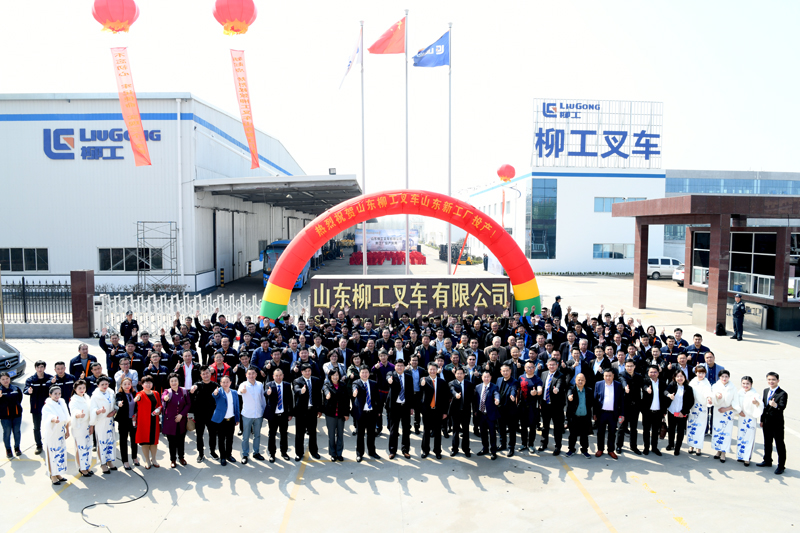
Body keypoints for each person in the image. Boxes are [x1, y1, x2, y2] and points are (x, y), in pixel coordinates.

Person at [758, 371, 788, 475]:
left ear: (778, 380)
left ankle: (781, 466)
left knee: (779, 444)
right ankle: (767, 460)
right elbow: (764, 407)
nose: (771, 381)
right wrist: (762, 420)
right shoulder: (766, 391)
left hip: (777, 423)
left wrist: (775, 405)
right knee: (767, 442)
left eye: (773, 380)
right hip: (766, 422)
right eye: (769, 379)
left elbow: (782, 407)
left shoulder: (782, 393)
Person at [293, 363, 322, 461]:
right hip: (301, 412)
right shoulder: (297, 381)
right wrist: (301, 391)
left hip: (312, 411)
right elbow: (296, 389)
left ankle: (314, 451)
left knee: (313, 433)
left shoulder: (316, 380)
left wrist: (319, 409)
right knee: (300, 433)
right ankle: (299, 453)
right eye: (305, 371)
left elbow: (319, 396)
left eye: (309, 371)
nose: (307, 373)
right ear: (302, 372)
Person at [41, 385, 70, 484]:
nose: (57, 396)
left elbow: (66, 418)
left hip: (60, 432)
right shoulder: (47, 406)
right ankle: (52, 475)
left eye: (59, 394)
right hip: (52, 433)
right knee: (52, 454)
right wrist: (54, 419)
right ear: (50, 394)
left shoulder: (62, 403)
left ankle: (58, 473)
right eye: (55, 394)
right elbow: (48, 417)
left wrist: (67, 430)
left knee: (60, 453)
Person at [162, 373, 192, 468]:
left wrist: (181, 415)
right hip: (170, 421)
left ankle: (181, 457)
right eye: (172, 381)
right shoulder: (167, 391)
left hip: (181, 420)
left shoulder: (184, 391)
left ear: (178, 381)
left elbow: (188, 404)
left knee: (181, 440)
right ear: (169, 382)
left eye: (175, 380)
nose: (174, 382)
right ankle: (173, 459)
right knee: (171, 442)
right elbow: (163, 397)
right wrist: (165, 398)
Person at [420, 362, 448, 459]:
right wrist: (422, 384)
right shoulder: (424, 380)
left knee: (437, 432)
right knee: (426, 431)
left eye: (434, 369)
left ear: (437, 370)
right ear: (428, 370)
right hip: (427, 410)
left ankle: (437, 451)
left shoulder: (442, 382)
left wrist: (445, 412)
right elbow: (421, 388)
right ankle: (425, 450)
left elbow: (445, 399)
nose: (432, 371)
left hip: (438, 410)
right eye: (430, 369)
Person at [732, 376, 762, 466]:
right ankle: (741, 456)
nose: (745, 385)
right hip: (742, 417)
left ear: (751, 384)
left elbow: (760, 404)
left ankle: (747, 458)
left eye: (747, 384)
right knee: (741, 436)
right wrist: (738, 411)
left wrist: (756, 403)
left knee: (749, 437)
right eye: (743, 383)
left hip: (750, 418)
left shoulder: (755, 394)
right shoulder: (739, 393)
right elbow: (735, 403)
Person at [594, 368, 624, 459]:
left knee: (612, 433)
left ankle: (611, 450)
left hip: (613, 414)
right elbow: (595, 400)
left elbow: (621, 401)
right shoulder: (598, 384)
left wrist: (622, 414)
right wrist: (594, 413)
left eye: (610, 376)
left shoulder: (618, 385)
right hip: (601, 413)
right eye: (606, 376)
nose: (608, 378)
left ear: (613, 376)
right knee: (600, 433)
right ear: (603, 376)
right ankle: (600, 449)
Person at [264, 368, 293, 462]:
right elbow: (265, 393)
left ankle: (284, 452)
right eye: (276, 375)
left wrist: (290, 413)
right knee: (272, 435)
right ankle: (272, 454)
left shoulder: (287, 385)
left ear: (283, 376)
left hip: (283, 415)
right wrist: (267, 393)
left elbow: (290, 400)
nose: (278, 377)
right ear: (273, 376)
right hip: (273, 416)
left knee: (284, 434)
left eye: (280, 375)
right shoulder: (269, 384)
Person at [386, 359, 414, 459]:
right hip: (394, 407)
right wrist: (389, 379)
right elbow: (388, 376)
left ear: (404, 367)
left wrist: (411, 407)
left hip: (405, 406)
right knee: (393, 429)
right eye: (398, 365)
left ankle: (405, 450)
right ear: (395, 366)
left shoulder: (409, 377)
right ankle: (392, 450)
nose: (399, 367)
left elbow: (411, 392)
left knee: (406, 429)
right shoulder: (392, 375)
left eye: (401, 365)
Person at [190, 367, 218, 462]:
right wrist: (192, 391)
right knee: (199, 435)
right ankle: (201, 454)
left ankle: (212, 452)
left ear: (210, 373)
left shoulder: (215, 385)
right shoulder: (197, 385)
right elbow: (191, 398)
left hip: (211, 415)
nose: (205, 375)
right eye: (203, 374)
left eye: (207, 373)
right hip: (199, 415)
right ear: (201, 375)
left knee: (212, 434)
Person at [133, 375, 162, 469]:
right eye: (146, 383)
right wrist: (136, 399)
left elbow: (160, 405)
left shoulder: (156, 393)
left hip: (154, 420)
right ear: (142, 384)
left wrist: (159, 410)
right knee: (145, 441)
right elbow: (136, 400)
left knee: (154, 442)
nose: (148, 384)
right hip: (144, 421)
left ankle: (154, 459)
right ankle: (147, 460)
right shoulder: (140, 394)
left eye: (150, 383)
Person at [352, 365, 380, 462]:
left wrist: (378, 411)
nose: (364, 374)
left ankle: (372, 452)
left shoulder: (373, 383)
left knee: (371, 435)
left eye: (366, 372)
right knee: (360, 435)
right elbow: (354, 387)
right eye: (362, 372)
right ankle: (359, 453)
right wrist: (354, 391)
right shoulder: (356, 382)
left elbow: (377, 398)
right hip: (361, 414)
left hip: (371, 413)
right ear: (359, 374)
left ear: (369, 373)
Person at [238, 368, 266, 464]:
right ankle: (245, 454)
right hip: (247, 415)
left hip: (258, 414)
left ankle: (256, 452)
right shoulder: (243, 384)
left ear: (256, 375)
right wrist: (242, 391)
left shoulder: (260, 385)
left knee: (257, 435)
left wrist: (264, 410)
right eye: (249, 374)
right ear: (246, 375)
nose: (251, 375)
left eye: (253, 373)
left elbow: (262, 398)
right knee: (245, 436)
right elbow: (239, 391)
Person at [90, 376, 117, 473]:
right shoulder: (95, 396)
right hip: (101, 422)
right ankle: (103, 463)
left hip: (110, 421)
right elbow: (92, 410)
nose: (105, 386)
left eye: (106, 384)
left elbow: (115, 404)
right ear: (98, 385)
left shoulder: (111, 392)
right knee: (102, 442)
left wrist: (114, 411)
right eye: (102, 384)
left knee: (110, 441)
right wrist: (99, 411)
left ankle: (109, 461)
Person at [24, 360, 52, 455]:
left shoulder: (49, 378)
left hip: (48, 407)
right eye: (38, 367)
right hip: (36, 407)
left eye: (41, 367)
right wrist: (28, 391)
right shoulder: (31, 380)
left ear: (44, 368)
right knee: (36, 427)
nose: (40, 369)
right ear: (35, 368)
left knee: (50, 426)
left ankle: (51, 444)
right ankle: (39, 445)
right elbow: (25, 389)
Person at [211, 375, 240, 466]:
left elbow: (236, 406)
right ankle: (223, 457)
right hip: (221, 420)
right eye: (223, 382)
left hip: (231, 419)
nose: (225, 384)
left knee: (230, 439)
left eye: (227, 382)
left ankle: (229, 455)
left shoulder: (234, 392)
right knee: (221, 439)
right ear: (220, 383)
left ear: (230, 383)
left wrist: (237, 418)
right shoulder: (219, 391)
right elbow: (214, 395)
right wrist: (215, 393)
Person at [322, 369, 350, 462]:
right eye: (333, 375)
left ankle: (339, 453)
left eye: (337, 375)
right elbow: (325, 390)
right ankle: (333, 454)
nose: (335, 377)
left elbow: (347, 400)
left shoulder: (343, 385)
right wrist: (327, 394)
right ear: (330, 376)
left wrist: (346, 413)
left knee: (340, 435)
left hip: (341, 414)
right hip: (331, 414)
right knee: (331, 435)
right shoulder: (327, 385)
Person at [539, 358, 565, 455]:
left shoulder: (560, 375)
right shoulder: (543, 374)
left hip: (556, 406)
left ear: (557, 365)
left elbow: (559, 384)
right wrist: (540, 402)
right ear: (547, 365)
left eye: (553, 364)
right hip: (545, 405)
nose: (551, 366)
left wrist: (556, 390)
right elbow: (541, 387)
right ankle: (543, 444)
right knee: (545, 427)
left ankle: (558, 446)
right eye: (550, 364)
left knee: (557, 428)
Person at [617, 360, 643, 455]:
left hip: (635, 406)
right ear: (625, 367)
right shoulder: (622, 374)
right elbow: (623, 381)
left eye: (631, 366)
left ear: (634, 366)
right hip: (623, 407)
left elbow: (643, 385)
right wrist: (625, 387)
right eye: (627, 366)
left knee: (633, 428)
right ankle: (619, 446)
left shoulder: (638, 376)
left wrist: (646, 388)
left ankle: (633, 446)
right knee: (621, 427)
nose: (629, 368)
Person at [68, 379, 93, 476]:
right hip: (79, 426)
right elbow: (74, 411)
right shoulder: (73, 400)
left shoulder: (87, 397)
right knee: (80, 447)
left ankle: (86, 465)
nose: (82, 390)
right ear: (75, 389)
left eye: (83, 388)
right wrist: (78, 415)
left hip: (87, 425)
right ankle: (81, 468)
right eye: (79, 388)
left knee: (87, 447)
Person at [686, 366, 713, 456]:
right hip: (693, 406)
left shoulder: (706, 382)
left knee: (700, 427)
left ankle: (698, 447)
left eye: (703, 373)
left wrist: (709, 398)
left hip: (702, 408)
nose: (701, 375)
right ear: (696, 373)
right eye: (699, 372)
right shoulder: (693, 381)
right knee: (691, 426)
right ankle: (691, 445)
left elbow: (708, 392)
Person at [665, 370, 693, 456]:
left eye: (681, 376)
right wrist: (669, 395)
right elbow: (665, 391)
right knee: (671, 429)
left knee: (680, 431)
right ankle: (671, 444)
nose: (680, 378)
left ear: (684, 377)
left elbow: (691, 402)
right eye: (678, 376)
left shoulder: (688, 388)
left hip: (682, 413)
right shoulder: (672, 385)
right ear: (674, 378)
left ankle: (677, 448)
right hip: (672, 411)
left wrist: (683, 412)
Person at [474, 370, 500, 459]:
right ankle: (485, 448)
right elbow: (476, 400)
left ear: (490, 378)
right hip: (481, 415)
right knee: (483, 433)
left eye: (488, 377)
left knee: (492, 434)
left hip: (490, 415)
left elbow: (496, 394)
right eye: (484, 377)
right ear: (482, 378)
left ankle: (493, 451)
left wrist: (497, 400)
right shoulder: (478, 387)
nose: (486, 378)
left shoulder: (494, 387)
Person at [448, 366, 474, 458]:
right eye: (457, 373)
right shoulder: (452, 383)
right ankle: (454, 449)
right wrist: (456, 395)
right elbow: (452, 390)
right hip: (455, 411)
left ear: (464, 374)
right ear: (455, 374)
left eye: (461, 373)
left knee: (466, 431)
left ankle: (466, 449)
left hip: (466, 411)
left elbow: (472, 397)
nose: (459, 375)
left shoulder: (469, 384)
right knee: (455, 431)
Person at [641, 365, 667, 456]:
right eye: (651, 372)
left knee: (656, 431)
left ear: (658, 373)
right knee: (646, 431)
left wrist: (664, 411)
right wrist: (647, 389)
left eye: (655, 372)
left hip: (658, 412)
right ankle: (646, 448)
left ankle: (654, 448)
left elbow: (664, 399)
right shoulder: (645, 381)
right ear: (648, 373)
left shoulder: (662, 383)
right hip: (647, 412)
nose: (653, 374)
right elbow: (643, 386)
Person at [565, 373, 593, 458]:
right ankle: (571, 450)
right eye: (579, 380)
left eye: (582, 380)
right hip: (574, 418)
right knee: (572, 435)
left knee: (584, 435)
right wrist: (569, 397)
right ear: (575, 380)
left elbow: (592, 403)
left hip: (585, 417)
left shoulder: (589, 390)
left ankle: (584, 450)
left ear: (585, 381)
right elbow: (569, 394)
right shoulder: (571, 389)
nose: (580, 381)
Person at [517, 361, 543, 453]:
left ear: (534, 368)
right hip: (522, 406)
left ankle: (531, 444)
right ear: (525, 368)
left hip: (532, 406)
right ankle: (524, 443)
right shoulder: (521, 377)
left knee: (532, 427)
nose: (530, 369)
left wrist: (536, 392)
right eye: (528, 367)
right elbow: (518, 391)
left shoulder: (537, 379)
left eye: (532, 367)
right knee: (523, 426)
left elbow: (540, 390)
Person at [710, 370, 736, 461]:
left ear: (729, 377)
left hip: (728, 413)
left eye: (726, 376)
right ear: (719, 377)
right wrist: (716, 395)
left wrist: (727, 409)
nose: (724, 378)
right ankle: (718, 450)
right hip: (718, 412)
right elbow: (711, 396)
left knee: (726, 432)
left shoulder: (733, 388)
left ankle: (723, 452)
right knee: (718, 431)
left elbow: (736, 402)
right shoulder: (715, 386)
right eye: (722, 376)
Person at [115, 376, 139, 469]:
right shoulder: (120, 394)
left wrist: (136, 414)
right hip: (123, 421)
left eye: (129, 384)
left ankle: (134, 457)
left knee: (134, 440)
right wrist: (119, 403)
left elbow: (137, 406)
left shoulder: (134, 393)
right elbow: (118, 401)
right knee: (123, 441)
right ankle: (125, 461)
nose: (127, 386)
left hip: (133, 420)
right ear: (121, 385)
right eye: (125, 384)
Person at [496, 363, 519, 457]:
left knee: (512, 430)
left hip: (510, 410)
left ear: (510, 371)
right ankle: (503, 444)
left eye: (507, 371)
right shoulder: (499, 379)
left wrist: (513, 395)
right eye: (503, 371)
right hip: (500, 409)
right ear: (501, 372)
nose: (505, 372)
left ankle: (511, 447)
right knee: (501, 428)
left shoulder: (514, 381)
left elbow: (514, 389)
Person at [0, 372, 24, 459]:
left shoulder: (16, 388)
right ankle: (8, 450)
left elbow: (20, 398)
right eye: (3, 379)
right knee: (7, 433)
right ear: (0, 380)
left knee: (17, 432)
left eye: (7, 378)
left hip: (17, 415)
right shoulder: (0, 391)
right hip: (5, 417)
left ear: (9, 379)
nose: (5, 381)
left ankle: (17, 448)